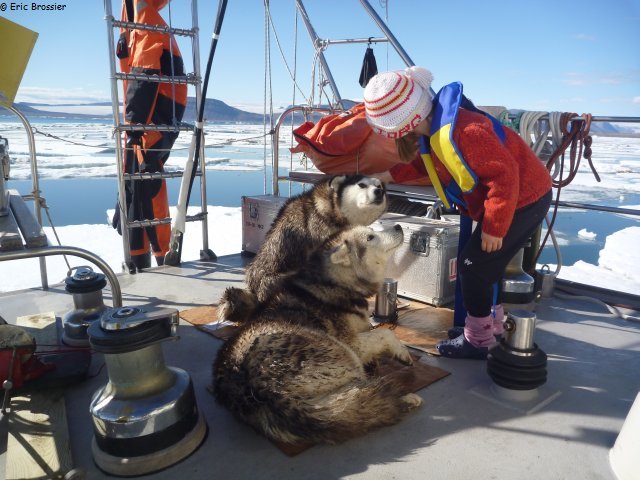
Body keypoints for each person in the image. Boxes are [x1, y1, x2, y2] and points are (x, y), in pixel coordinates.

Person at [363, 66, 552, 359]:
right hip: (514, 201)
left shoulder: (468, 131)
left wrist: (494, 226)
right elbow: (425, 164)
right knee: (487, 267)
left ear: (399, 123)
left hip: (524, 200)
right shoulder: (434, 131)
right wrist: (387, 175)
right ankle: (491, 327)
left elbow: (505, 177)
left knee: (472, 266)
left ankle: (478, 341)